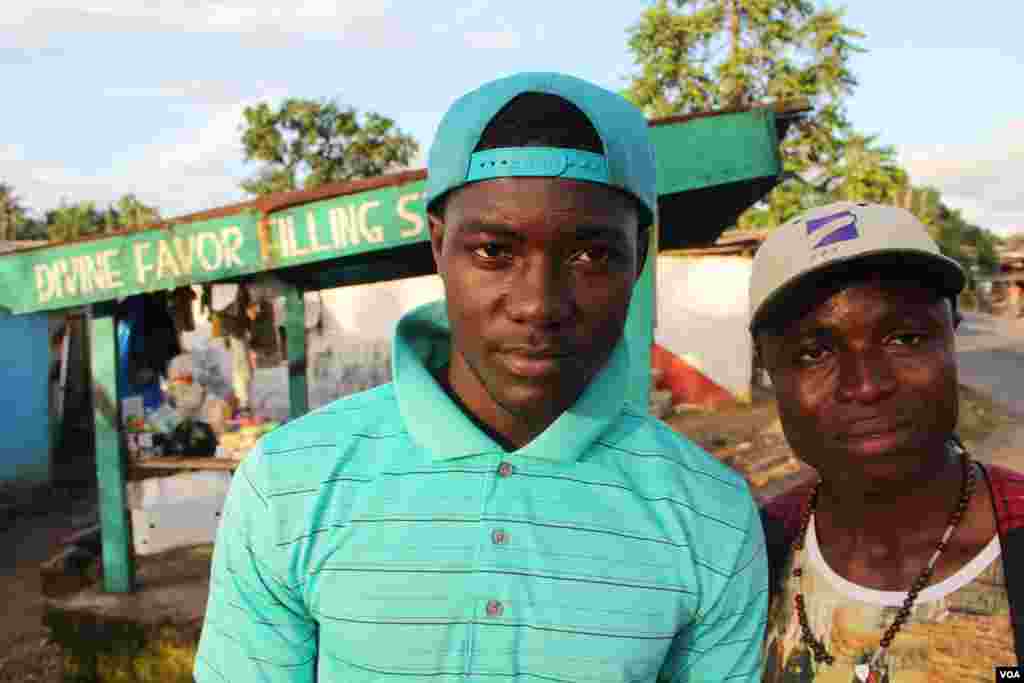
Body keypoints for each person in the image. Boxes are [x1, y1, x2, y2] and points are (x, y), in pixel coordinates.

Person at [194, 71, 768, 682]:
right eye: (494, 252)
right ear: (438, 245)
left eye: (591, 254)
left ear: (639, 255)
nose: (539, 303)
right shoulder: (291, 481)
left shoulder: (712, 515)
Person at [751, 202, 1024, 681]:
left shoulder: (1013, 536)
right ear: (769, 371)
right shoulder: (751, 554)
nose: (866, 385)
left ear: (950, 338)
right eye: (813, 353)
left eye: (905, 338)